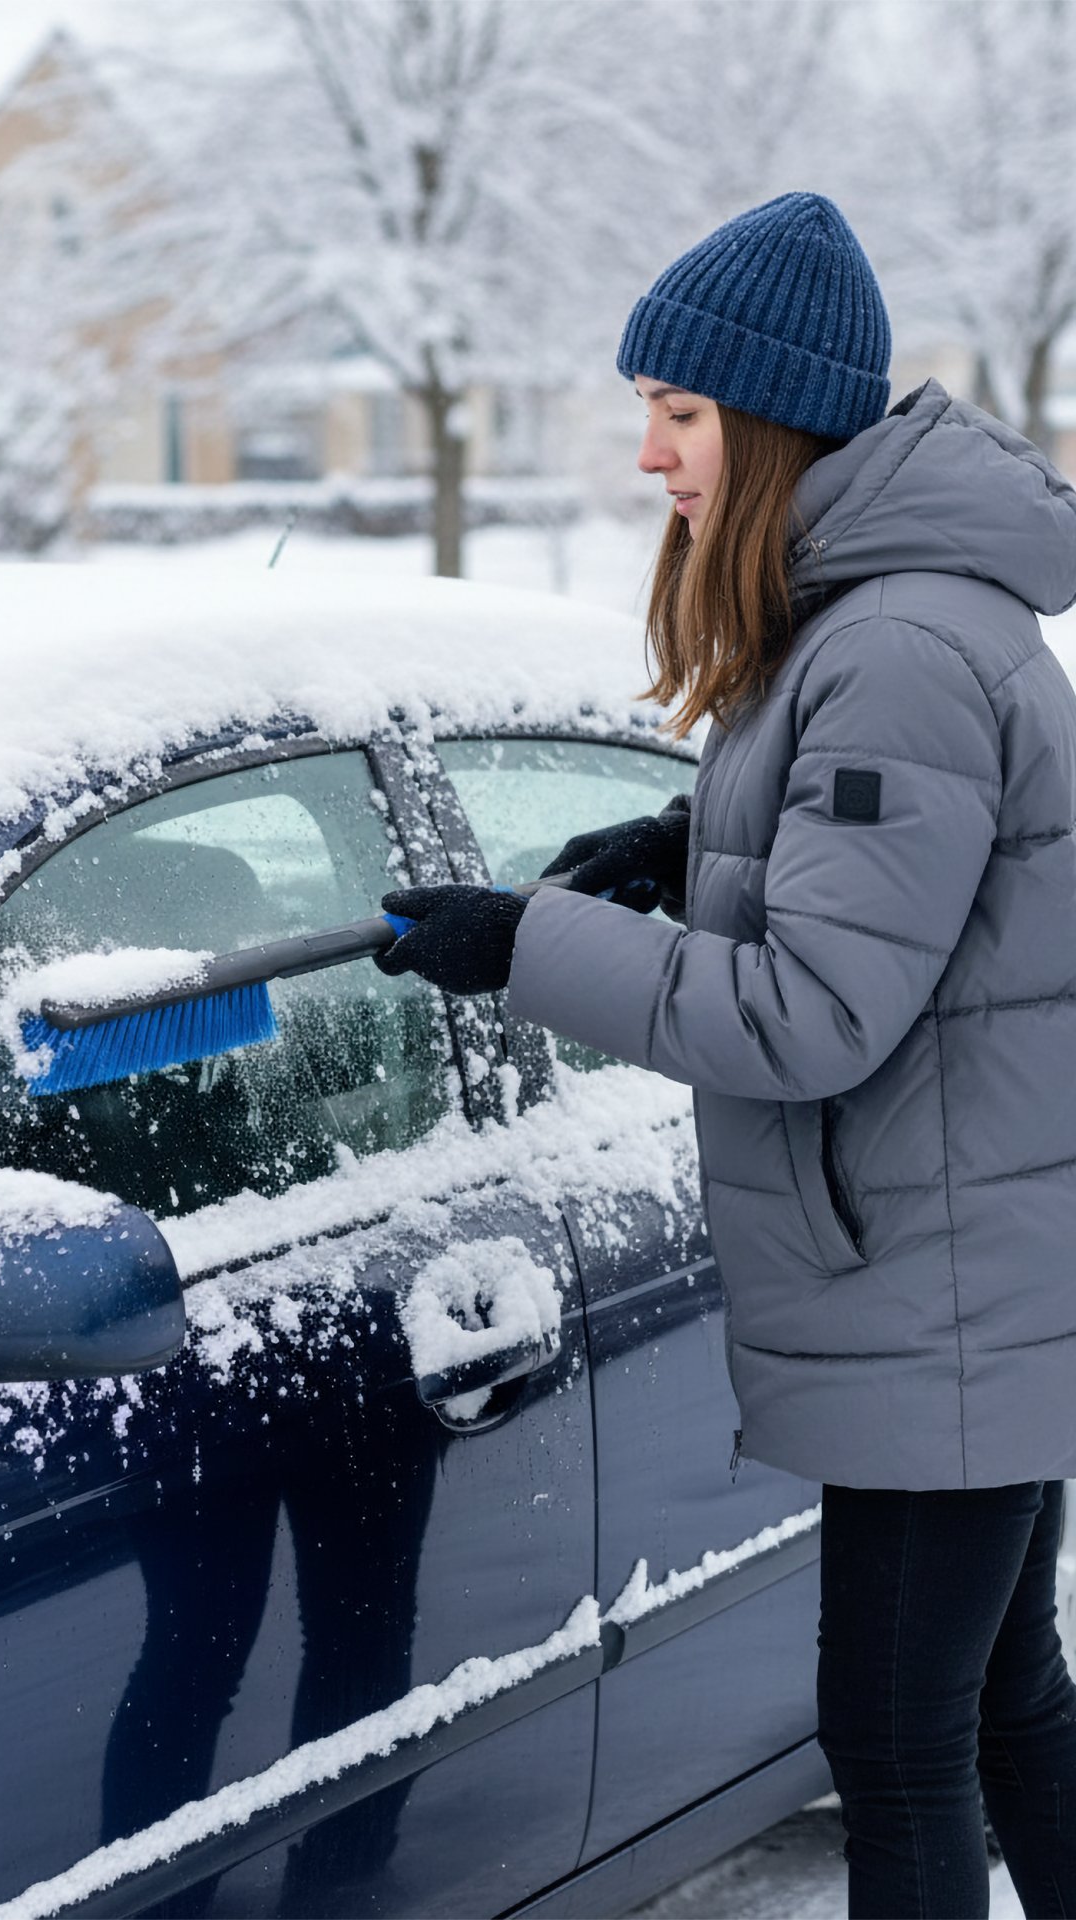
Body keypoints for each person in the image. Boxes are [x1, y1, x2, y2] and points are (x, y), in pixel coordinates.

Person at [375, 191, 1076, 1919]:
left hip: (942, 1290)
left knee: (903, 1741)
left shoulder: (895, 645)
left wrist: (523, 940)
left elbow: (810, 1016)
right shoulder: (883, 614)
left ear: (767, 422)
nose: (648, 457)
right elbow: (918, 897)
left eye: (677, 414)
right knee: (1002, 1704)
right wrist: (691, 849)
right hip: (958, 1264)